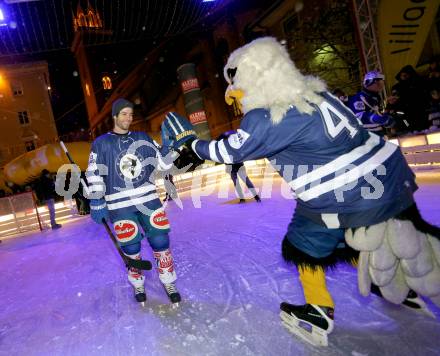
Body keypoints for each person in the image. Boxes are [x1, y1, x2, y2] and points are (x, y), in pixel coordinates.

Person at [162, 37, 440, 346]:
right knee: (348, 235)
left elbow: (234, 147)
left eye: (237, 94)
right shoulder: (317, 94)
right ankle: (387, 278)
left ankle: (317, 312)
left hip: (341, 190)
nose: (238, 103)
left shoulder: (270, 114)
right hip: (386, 177)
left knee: (304, 243)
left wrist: (194, 145)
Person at [86, 98, 181, 305]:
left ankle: (168, 281)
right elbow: (94, 174)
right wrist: (96, 201)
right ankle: (138, 283)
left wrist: (171, 149)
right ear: (114, 116)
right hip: (120, 206)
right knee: (131, 247)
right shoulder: (101, 143)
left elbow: (163, 165)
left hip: (148, 200)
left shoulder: (143, 138)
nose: (128, 118)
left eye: (130, 114)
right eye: (124, 114)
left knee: (160, 241)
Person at [347, 71, 396, 136]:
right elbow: (358, 115)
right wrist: (379, 119)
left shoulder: (375, 97)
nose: (382, 84)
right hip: (366, 135)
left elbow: (378, 113)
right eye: (380, 81)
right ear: (373, 82)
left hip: (378, 133)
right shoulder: (360, 97)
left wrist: (389, 106)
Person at [218, 131, 260, 203]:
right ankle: (255, 197)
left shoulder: (223, 147)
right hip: (237, 166)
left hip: (233, 166)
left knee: (239, 182)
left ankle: (244, 198)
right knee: (244, 181)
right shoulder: (234, 144)